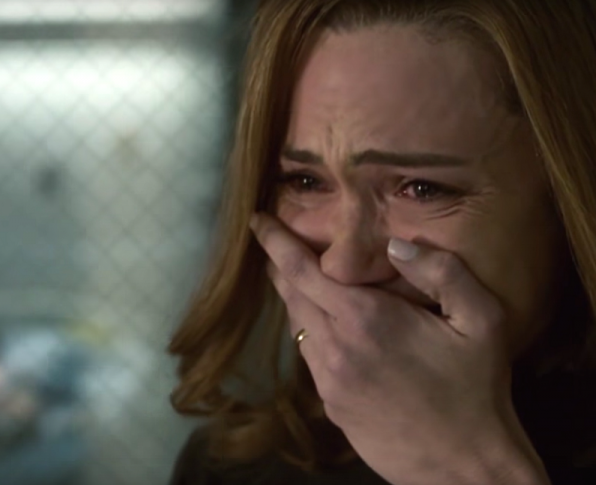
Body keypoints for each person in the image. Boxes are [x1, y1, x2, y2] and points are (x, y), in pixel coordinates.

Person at [167, 1, 596, 484]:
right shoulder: (231, 468)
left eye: (422, 188)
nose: (343, 267)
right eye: (306, 182)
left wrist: (469, 468)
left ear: (567, 194)